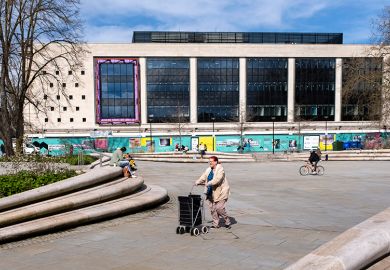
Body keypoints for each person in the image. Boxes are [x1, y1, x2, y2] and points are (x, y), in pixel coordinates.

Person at [195, 156, 231, 229]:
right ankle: (215, 224)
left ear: (216, 162)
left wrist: (209, 183)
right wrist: (197, 182)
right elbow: (203, 177)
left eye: (211, 161)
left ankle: (227, 220)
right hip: (211, 191)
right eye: (209, 161)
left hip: (221, 191)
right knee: (213, 209)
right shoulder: (208, 170)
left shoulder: (220, 169)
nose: (210, 162)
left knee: (219, 208)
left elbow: (217, 179)